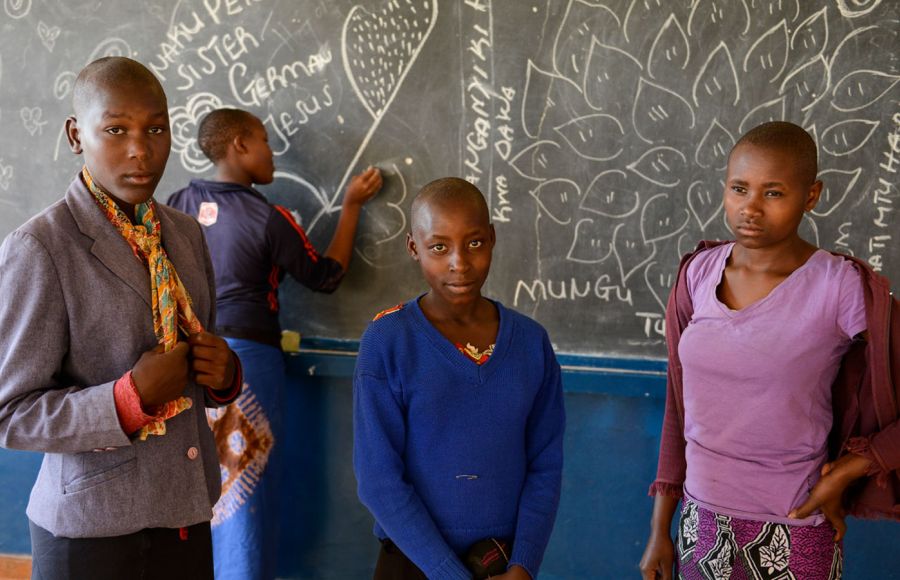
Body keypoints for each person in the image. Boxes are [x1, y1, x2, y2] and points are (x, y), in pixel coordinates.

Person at [0, 57, 242, 580]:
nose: (140, 148)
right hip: (90, 531)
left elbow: (200, 357)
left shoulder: (183, 234)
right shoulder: (41, 247)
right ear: (75, 135)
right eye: (115, 129)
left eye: (156, 128)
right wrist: (128, 398)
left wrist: (224, 376)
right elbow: (12, 413)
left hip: (183, 512)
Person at [639, 121, 900, 579]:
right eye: (739, 189)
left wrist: (849, 470)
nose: (751, 208)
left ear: (811, 196)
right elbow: (678, 408)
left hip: (794, 524)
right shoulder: (697, 275)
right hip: (701, 526)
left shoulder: (838, 287)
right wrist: (661, 528)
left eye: (773, 193)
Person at [166, 108, 382, 580]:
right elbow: (326, 277)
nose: (271, 153)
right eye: (263, 140)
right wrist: (351, 207)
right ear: (239, 145)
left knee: (193, 485)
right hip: (247, 368)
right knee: (246, 493)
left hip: (182, 366)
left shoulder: (175, 203)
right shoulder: (268, 218)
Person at [353, 177, 566, 580]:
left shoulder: (530, 344)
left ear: (492, 238)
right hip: (412, 560)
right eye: (439, 247)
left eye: (474, 243)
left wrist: (524, 564)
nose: (460, 263)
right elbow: (378, 480)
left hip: (500, 563)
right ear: (414, 248)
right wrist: (449, 574)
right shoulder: (388, 341)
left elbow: (546, 465)